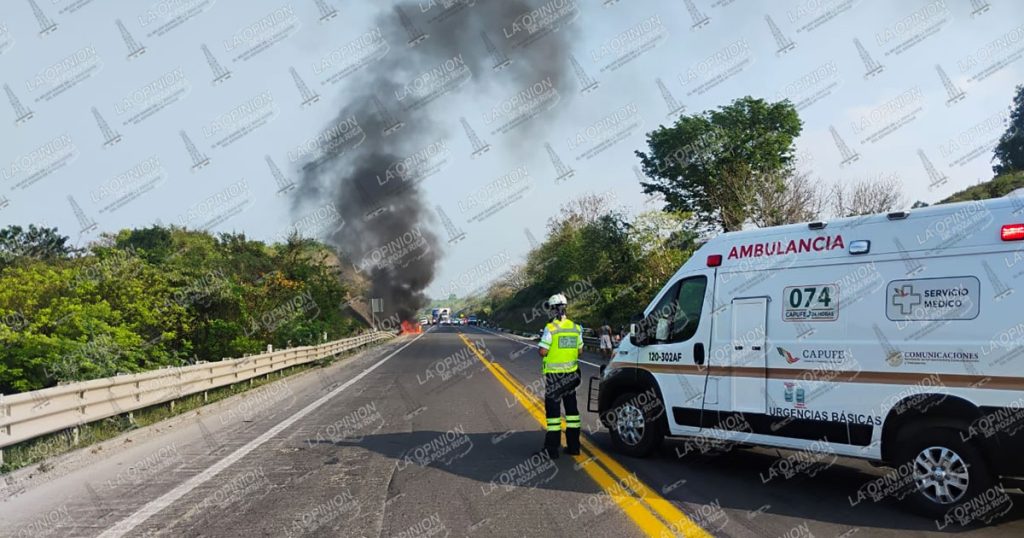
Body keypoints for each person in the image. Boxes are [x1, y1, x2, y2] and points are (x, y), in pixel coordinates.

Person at [537, 293, 583, 458]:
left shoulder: (551, 328)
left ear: (553, 309)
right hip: (571, 376)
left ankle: (551, 450)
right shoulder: (576, 328)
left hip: (555, 377)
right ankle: (574, 447)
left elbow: (543, 351)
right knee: (572, 412)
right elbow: (580, 351)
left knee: (554, 414)